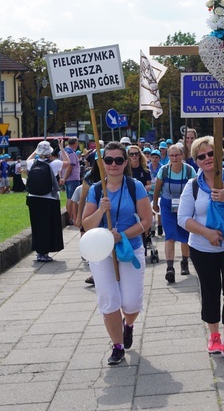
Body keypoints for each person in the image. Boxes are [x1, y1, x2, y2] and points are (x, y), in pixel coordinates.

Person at [177, 136, 224, 361]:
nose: (207, 159)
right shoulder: (192, 186)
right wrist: (207, 232)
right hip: (202, 248)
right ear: (196, 161)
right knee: (210, 292)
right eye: (201, 156)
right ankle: (214, 337)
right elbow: (183, 218)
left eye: (211, 154)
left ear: (219, 155)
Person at [82, 141, 153, 365]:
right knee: (109, 299)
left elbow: (147, 221)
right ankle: (117, 345)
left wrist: (121, 235)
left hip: (129, 247)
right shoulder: (96, 189)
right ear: (103, 163)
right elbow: (86, 225)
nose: (114, 164)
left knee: (131, 303)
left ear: (125, 163)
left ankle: (128, 324)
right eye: (109, 160)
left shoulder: (135, 187)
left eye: (119, 160)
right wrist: (102, 211)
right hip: (102, 252)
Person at [152, 144, 196, 283]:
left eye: (177, 155)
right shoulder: (164, 170)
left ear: (182, 155)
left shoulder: (189, 170)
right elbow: (157, 188)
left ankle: (184, 262)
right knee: (169, 235)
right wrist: (154, 203)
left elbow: (196, 187)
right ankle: (170, 268)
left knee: (184, 235)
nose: (175, 158)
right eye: (172, 155)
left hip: (185, 206)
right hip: (167, 205)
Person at [25, 141, 65, 262]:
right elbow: (69, 162)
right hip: (49, 199)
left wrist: (36, 151)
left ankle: (39, 252)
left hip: (33, 198)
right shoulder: (55, 164)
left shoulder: (31, 163)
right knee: (48, 226)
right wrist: (61, 147)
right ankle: (45, 252)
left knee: (37, 226)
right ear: (50, 152)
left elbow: (28, 159)